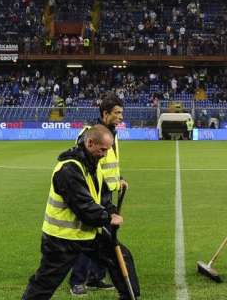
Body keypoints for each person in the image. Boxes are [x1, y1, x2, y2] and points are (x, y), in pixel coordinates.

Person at [22, 125, 140, 300]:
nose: (105, 154)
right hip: (61, 239)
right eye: (103, 149)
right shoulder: (68, 169)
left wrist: (111, 210)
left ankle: (131, 296)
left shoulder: (93, 164)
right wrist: (108, 218)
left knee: (120, 256)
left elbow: (102, 196)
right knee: (44, 284)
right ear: (90, 143)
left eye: (107, 150)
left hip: (86, 235)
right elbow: (84, 208)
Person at [69, 93, 129, 296]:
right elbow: (81, 165)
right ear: (105, 113)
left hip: (107, 194)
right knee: (88, 237)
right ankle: (77, 281)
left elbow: (109, 162)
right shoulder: (89, 134)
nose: (121, 117)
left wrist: (119, 178)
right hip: (92, 194)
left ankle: (96, 277)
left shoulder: (112, 133)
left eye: (122, 112)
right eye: (117, 113)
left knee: (107, 238)